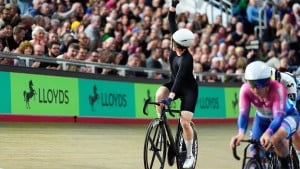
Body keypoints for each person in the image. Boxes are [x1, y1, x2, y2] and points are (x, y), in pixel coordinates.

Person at [230, 61, 300, 169]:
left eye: (257, 86)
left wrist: (269, 133)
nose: (253, 90)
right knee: (255, 148)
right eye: (251, 84)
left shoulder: (279, 87)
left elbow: (279, 117)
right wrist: (240, 133)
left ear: (267, 84)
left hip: (287, 114)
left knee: (277, 139)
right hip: (263, 117)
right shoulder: (245, 89)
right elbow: (243, 114)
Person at [155, 1, 198, 168]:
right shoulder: (177, 41)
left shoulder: (187, 60)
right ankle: (160, 126)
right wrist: (173, 5)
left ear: (180, 46)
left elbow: (180, 79)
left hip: (188, 89)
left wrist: (171, 97)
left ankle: (189, 155)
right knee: (159, 95)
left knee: (185, 122)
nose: (170, 43)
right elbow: (171, 20)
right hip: (174, 82)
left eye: (173, 43)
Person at [270, 67, 300, 163]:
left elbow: (292, 107)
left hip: (296, 98)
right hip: (282, 97)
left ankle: (298, 154)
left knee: (296, 129)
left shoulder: (288, 81)